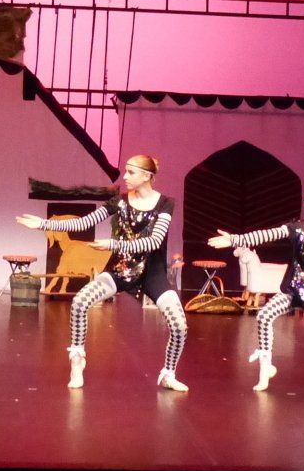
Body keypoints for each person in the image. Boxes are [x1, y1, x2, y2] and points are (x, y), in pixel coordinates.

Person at [15, 154, 186, 391]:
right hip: (118, 270)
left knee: (179, 325)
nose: (125, 177)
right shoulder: (120, 201)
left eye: (131, 172)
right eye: (125, 171)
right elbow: (85, 222)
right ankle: (77, 361)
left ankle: (168, 373)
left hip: (151, 274)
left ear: (147, 176)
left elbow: (154, 242)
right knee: (80, 302)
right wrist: (45, 224)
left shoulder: (165, 203)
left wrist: (114, 244)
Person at [208, 181, 304, 393]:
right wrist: (235, 239)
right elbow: (266, 234)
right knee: (264, 316)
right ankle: (266, 369)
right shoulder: (296, 228)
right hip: (295, 290)